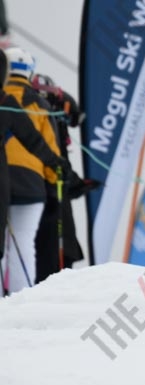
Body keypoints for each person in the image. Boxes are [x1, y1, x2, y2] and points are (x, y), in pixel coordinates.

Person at [0, 48, 68, 294]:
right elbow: (44, 144)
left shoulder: (5, 98)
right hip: (31, 183)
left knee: (2, 245)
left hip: (3, 178)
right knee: (23, 241)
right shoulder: (39, 103)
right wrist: (56, 175)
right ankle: (21, 298)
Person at [30, 73, 96, 281]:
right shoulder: (43, 115)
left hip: (47, 196)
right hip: (48, 200)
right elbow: (53, 157)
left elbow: (58, 160)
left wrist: (77, 184)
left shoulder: (40, 113)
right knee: (50, 259)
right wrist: (74, 182)